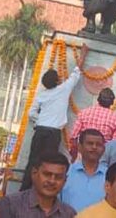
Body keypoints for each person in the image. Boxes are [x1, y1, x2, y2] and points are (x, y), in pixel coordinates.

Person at [21, 44, 89, 190]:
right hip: (53, 134)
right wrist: (83, 54)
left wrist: (40, 121)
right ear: (57, 81)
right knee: (48, 163)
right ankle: (41, 189)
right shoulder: (63, 89)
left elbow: (31, 113)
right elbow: (76, 72)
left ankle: (25, 188)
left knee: (33, 161)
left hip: (40, 131)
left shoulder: (42, 95)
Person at [0, 151, 75, 218]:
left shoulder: (69, 214)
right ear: (34, 173)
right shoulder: (10, 205)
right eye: (47, 174)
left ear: (65, 180)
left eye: (58, 177)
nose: (52, 181)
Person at [59, 129, 107, 212]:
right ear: (79, 147)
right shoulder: (66, 173)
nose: (94, 147)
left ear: (103, 149)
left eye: (98, 144)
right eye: (90, 143)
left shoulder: (110, 176)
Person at [68, 88, 116, 158]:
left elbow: (73, 137)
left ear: (98, 99)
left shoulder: (84, 113)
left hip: (84, 155)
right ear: (112, 102)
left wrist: (74, 155)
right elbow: (115, 145)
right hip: (102, 157)